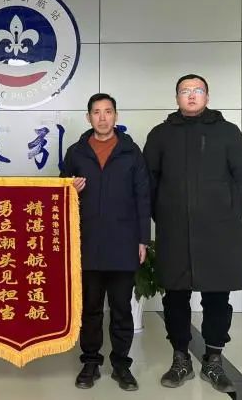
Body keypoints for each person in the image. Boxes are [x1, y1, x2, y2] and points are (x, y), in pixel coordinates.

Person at [143, 74, 242, 393]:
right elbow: (148, 183)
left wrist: (227, 214)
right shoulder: (161, 135)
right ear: (176, 97)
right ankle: (180, 358)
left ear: (207, 96)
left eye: (197, 90)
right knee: (175, 297)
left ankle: (213, 359)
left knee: (217, 297)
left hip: (218, 232)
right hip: (175, 232)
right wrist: (166, 215)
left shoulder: (228, 132)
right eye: (185, 91)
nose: (191, 95)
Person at [61, 93, 151, 391]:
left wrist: (143, 239)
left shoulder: (131, 152)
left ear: (116, 116)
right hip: (86, 243)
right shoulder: (76, 153)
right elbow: (59, 196)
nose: (102, 117)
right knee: (90, 309)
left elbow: (143, 198)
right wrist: (70, 188)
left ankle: (122, 365)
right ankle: (90, 362)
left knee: (122, 308)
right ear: (88, 117)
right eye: (96, 112)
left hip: (123, 242)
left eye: (108, 111)